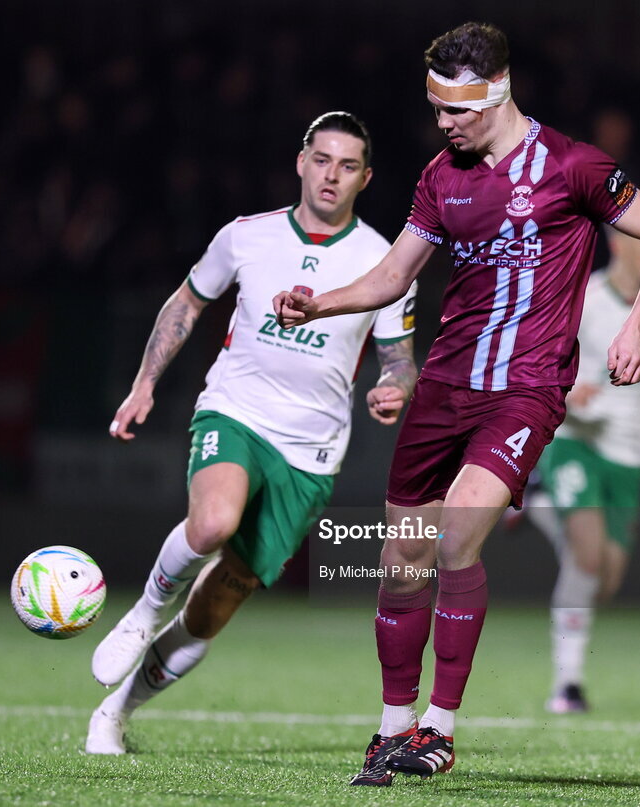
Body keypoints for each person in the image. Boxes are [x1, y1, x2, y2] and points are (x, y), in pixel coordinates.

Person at [274, 23, 640, 785]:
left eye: (456, 108)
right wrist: (319, 301)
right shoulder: (441, 175)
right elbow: (394, 274)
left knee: (458, 537)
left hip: (526, 390)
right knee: (401, 559)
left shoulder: (573, 166)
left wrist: (635, 328)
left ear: (496, 90)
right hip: (444, 387)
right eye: (435, 107)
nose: (444, 121)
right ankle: (392, 726)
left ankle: (440, 726)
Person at [85, 111, 418, 755]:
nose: (331, 175)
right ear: (301, 162)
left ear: (365, 178)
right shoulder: (246, 236)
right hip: (236, 410)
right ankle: (142, 613)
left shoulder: (382, 261)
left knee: (214, 610)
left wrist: (393, 389)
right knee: (210, 523)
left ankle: (116, 712)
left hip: (312, 451)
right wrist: (145, 382)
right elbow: (187, 302)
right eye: (322, 159)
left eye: (348, 166)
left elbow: (400, 359)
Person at [528, 226, 640, 714]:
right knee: (585, 559)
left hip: (629, 453)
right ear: (617, 244)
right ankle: (567, 685)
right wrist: (565, 392)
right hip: (574, 442)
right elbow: (538, 356)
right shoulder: (583, 295)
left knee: (603, 581)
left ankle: (535, 501)